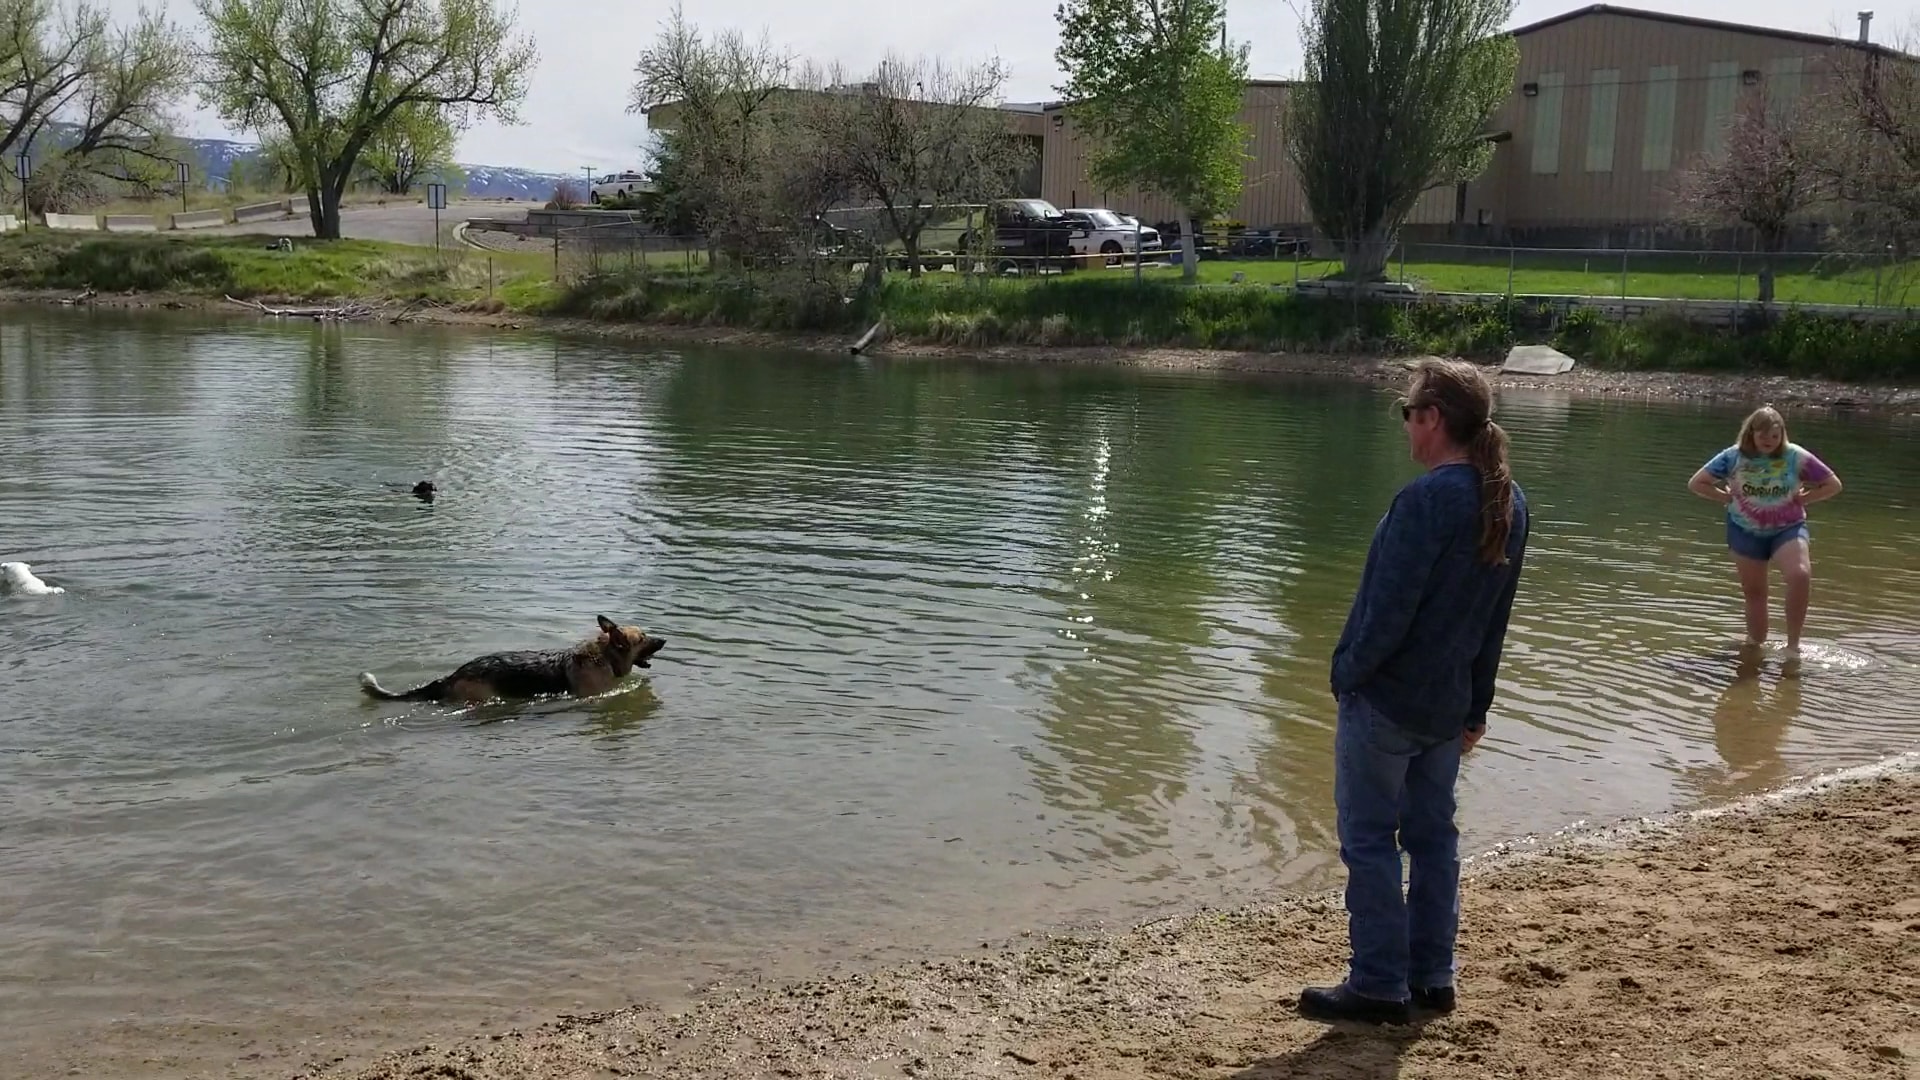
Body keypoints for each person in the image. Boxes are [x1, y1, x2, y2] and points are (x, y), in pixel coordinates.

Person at [1299, 358, 1531, 1026]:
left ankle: (1377, 983)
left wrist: (1346, 673)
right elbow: (1496, 619)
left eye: (1409, 413)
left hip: (1388, 704)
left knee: (1370, 840)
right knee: (1433, 839)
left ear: (1432, 419)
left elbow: (1387, 612)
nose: (1406, 426)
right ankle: (1433, 976)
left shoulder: (1425, 501)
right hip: (1446, 706)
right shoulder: (1509, 502)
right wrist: (1477, 707)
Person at [1687, 406, 1841, 656]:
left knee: (1800, 575)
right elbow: (1697, 483)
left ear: (1782, 436)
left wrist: (1805, 499)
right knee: (1755, 593)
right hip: (1744, 530)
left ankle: (1793, 647)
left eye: (1775, 436)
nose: (1769, 441)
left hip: (1788, 528)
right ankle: (1754, 648)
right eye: (1763, 435)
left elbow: (1833, 484)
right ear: (1751, 434)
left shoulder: (1795, 457)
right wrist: (1724, 498)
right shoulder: (1733, 457)